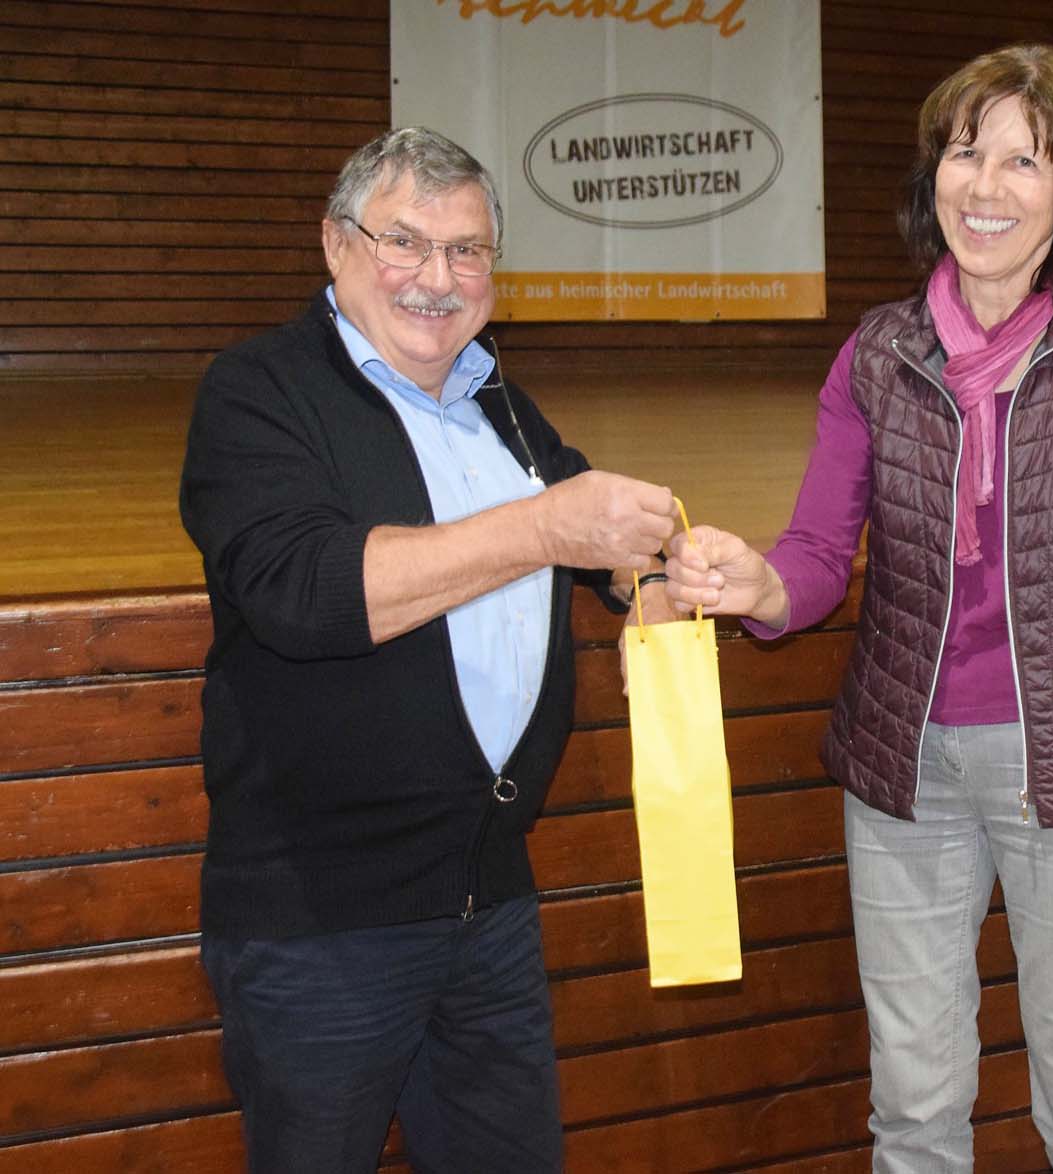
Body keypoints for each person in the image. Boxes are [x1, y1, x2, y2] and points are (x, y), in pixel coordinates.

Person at [665, 44, 1053, 1173]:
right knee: (913, 1106)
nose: (986, 186)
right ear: (933, 178)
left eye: (1024, 161)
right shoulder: (879, 354)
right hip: (905, 771)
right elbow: (816, 554)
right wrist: (755, 586)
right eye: (965, 154)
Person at [179, 126, 678, 1174]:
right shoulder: (257, 389)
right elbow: (304, 593)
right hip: (322, 921)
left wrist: (668, 571)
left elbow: (600, 540)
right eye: (404, 241)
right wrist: (545, 528)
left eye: (467, 251)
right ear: (335, 243)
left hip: (488, 904)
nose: (437, 278)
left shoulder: (499, 400)